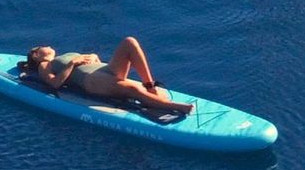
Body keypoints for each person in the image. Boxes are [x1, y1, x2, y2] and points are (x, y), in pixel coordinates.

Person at [21, 37, 194, 116]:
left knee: (130, 42)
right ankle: (176, 106)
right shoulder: (45, 64)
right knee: (132, 89)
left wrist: (92, 57)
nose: (48, 45)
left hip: (103, 70)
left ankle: (150, 85)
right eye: (42, 46)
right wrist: (73, 63)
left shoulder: (63, 56)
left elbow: (88, 60)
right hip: (90, 81)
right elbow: (54, 84)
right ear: (36, 55)